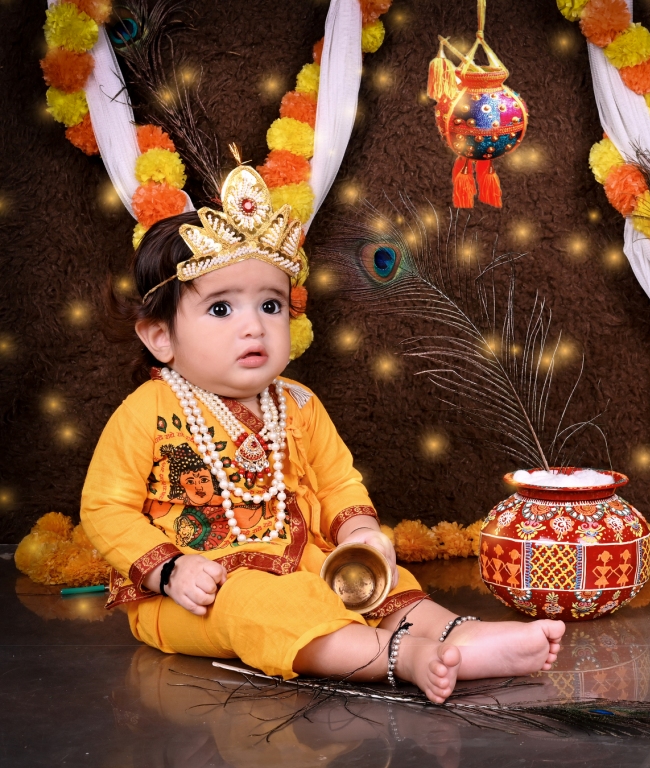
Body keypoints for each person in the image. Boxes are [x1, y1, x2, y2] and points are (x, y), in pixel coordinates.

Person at [81, 165, 564, 703]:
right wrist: (170, 571)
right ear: (160, 337)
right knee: (263, 606)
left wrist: (360, 536)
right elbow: (105, 508)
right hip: (197, 594)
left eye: (270, 305)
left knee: (378, 583)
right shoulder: (147, 411)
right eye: (221, 308)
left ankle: (458, 635)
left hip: (301, 558)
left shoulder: (298, 402)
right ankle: (400, 657)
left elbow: (337, 482)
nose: (253, 325)